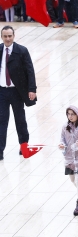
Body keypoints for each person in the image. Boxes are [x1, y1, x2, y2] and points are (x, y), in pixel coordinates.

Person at [0, 26, 36, 161]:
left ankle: (24, 145)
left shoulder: (21, 51)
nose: (8, 39)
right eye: (5, 36)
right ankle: (0, 150)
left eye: (10, 36)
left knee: (20, 120)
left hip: (16, 91)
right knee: (1, 121)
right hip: (2, 91)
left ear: (14, 36)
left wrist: (32, 89)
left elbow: (30, 71)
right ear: (2, 37)